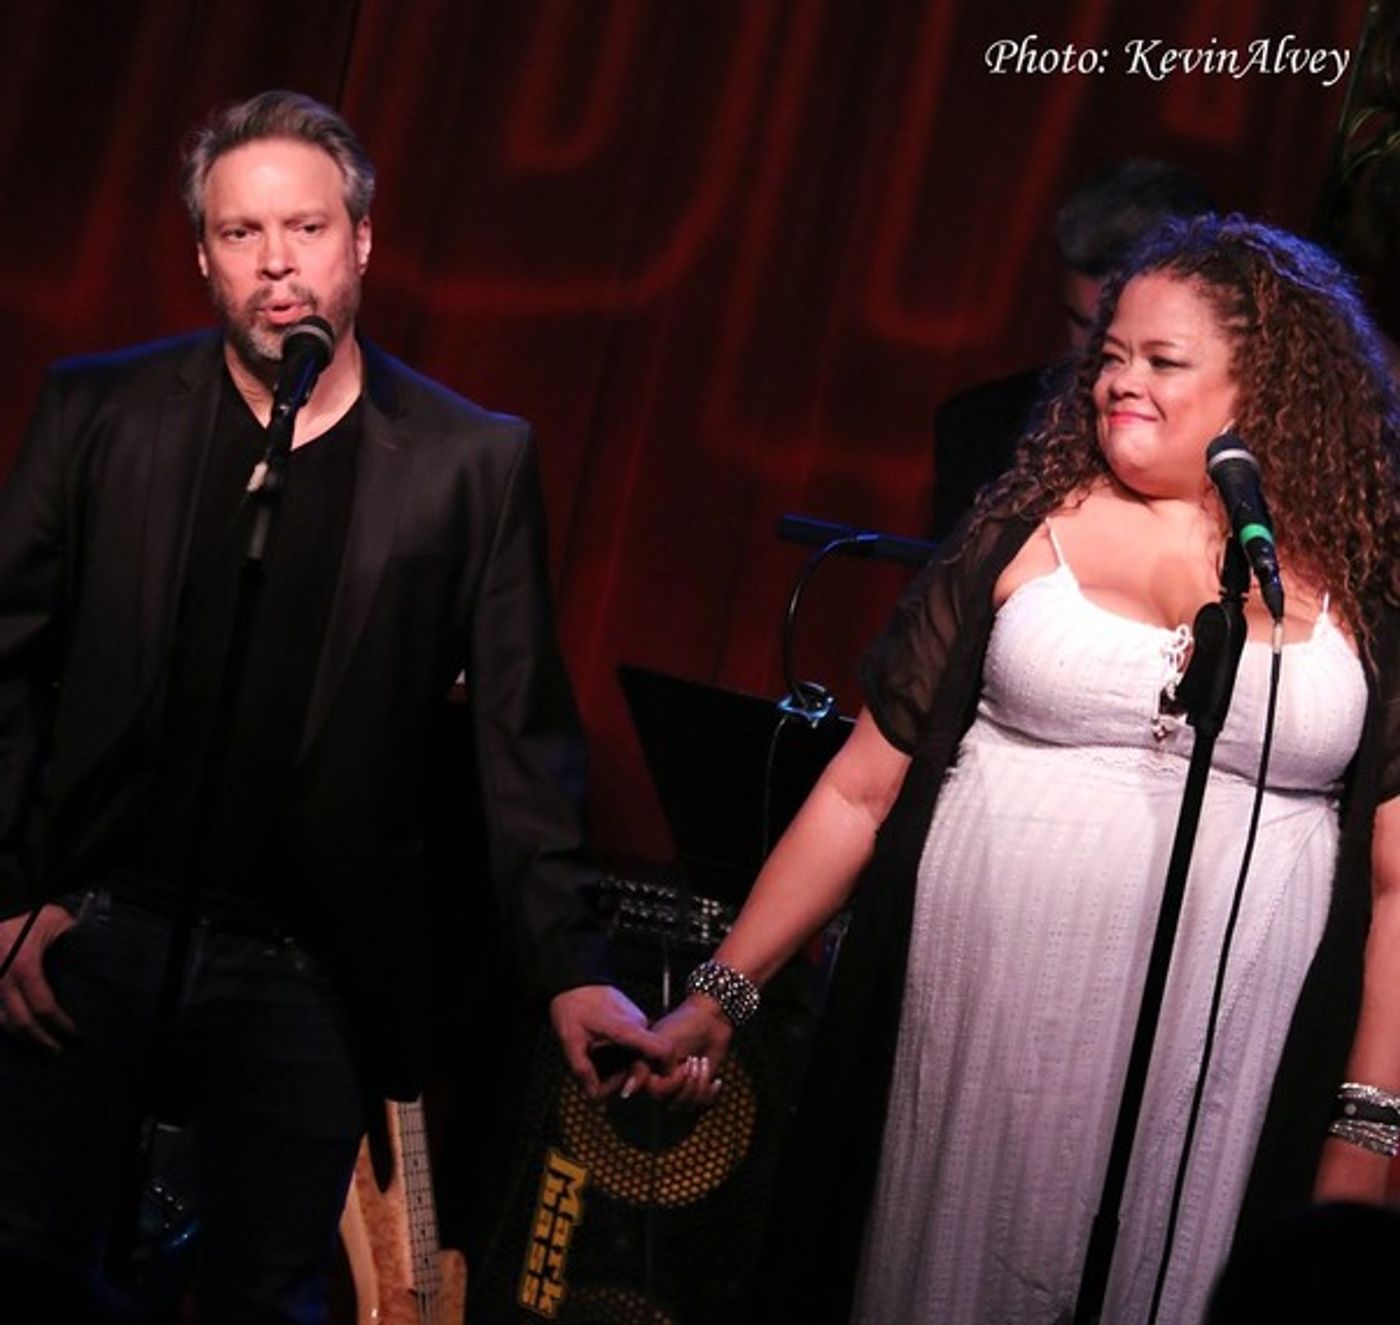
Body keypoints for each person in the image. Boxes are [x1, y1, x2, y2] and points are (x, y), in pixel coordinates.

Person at [642, 215, 1400, 1323]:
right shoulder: (1020, 531)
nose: (1116, 383)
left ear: (1266, 383)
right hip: (988, 1019)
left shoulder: (1355, 584)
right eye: (1106, 355)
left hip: (1222, 1051)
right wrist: (722, 989)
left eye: (1160, 361)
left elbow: (1395, 882)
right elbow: (862, 785)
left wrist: (1367, 1124)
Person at [0, 90, 669, 1322]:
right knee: (32, 1254)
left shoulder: (472, 460)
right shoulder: (101, 411)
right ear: (202, 255)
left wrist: (571, 967)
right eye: (241, 234)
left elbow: (517, 730)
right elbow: (7, 660)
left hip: (311, 967)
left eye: (303, 228)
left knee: (267, 1288)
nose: (276, 265)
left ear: (362, 240)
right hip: (91, 931)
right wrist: (3, 893)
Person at [931, 159, 1217, 538]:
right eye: (1081, 324)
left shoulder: (1237, 464)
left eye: (1114, 336)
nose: (1093, 356)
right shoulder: (979, 430)